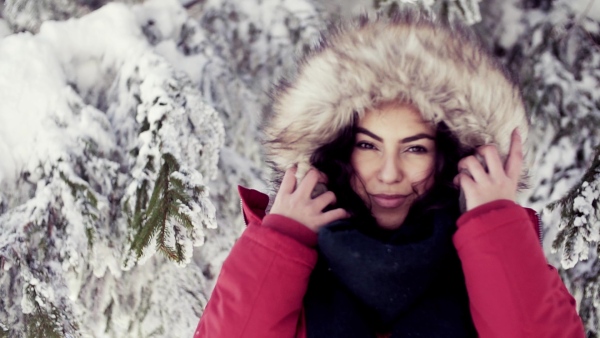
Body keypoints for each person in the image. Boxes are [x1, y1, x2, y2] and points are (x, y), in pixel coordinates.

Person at [194, 8, 585, 338]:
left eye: (415, 148)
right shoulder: (292, 264)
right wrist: (282, 240)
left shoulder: (490, 259)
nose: (389, 173)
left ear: (449, 155)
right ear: (337, 148)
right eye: (368, 145)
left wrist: (495, 224)